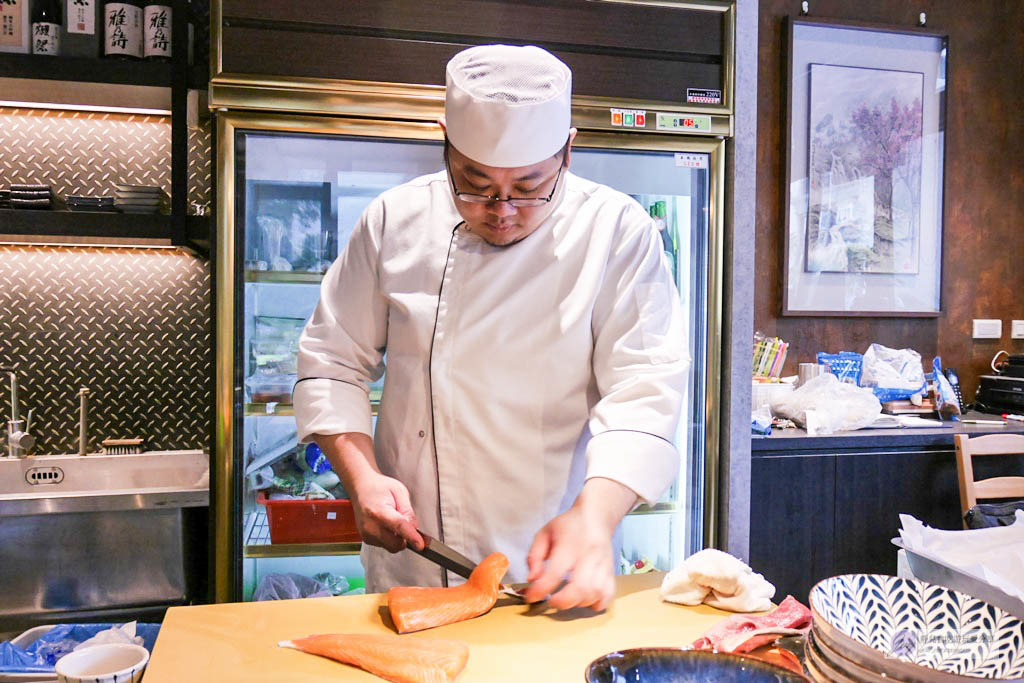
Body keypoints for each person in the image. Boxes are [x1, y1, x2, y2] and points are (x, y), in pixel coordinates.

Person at [294, 44, 688, 612]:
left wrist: (596, 516)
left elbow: (644, 389)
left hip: (553, 560)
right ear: (445, 144)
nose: (501, 209)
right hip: (417, 556)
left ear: (569, 152)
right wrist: (362, 479)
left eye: (529, 187)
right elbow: (331, 362)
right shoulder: (392, 221)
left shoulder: (616, 231)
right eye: (474, 184)